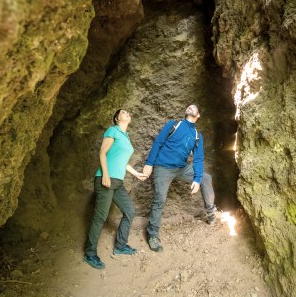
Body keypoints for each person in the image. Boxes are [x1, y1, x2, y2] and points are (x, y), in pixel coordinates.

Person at [143, 104, 217, 252]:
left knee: (206, 178)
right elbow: (158, 142)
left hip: (181, 169)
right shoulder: (173, 125)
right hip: (162, 167)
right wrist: (149, 163)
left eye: (196, 107)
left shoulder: (197, 135)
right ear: (186, 112)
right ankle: (153, 235)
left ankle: (211, 212)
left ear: (198, 116)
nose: (192, 106)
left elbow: (198, 158)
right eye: (190, 106)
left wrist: (197, 179)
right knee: (160, 198)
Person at [84, 109, 147, 270]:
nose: (127, 113)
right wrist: (105, 174)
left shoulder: (125, 137)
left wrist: (137, 174)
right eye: (123, 112)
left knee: (129, 211)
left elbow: (123, 162)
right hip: (106, 179)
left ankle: (120, 246)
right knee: (100, 217)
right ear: (116, 118)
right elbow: (103, 153)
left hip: (117, 182)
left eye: (128, 112)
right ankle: (90, 254)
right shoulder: (113, 130)